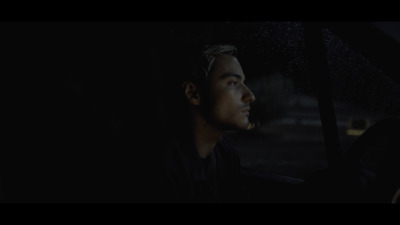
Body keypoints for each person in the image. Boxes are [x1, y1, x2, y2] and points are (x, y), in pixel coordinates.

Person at [157, 43, 256, 202]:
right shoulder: (163, 166)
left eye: (244, 83)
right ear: (193, 93)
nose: (250, 96)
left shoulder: (226, 154)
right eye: (233, 83)